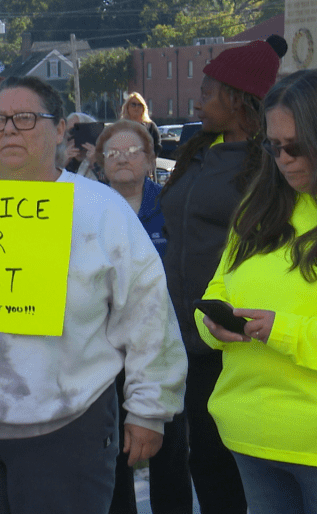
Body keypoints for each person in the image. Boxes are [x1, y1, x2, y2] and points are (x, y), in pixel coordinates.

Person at [0, 76, 187, 514]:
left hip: (65, 431)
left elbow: (147, 315)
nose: (9, 129)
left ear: (60, 128)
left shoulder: (101, 210)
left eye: (25, 119)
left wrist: (148, 410)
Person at [159, 37, 286, 514]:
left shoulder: (272, 164)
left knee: (234, 467)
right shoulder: (199, 152)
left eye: (209, 90)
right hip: (183, 337)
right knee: (203, 462)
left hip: (235, 339)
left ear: (238, 99)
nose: (198, 99)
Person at [194, 68, 317, 514]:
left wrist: (280, 331)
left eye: (297, 146)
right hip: (249, 436)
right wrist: (214, 325)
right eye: (274, 145)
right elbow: (217, 287)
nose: (284, 158)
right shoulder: (258, 205)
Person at [95, 120, 192, 514]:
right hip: (106, 351)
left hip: (162, 346)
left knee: (170, 455)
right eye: (112, 153)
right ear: (101, 162)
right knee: (114, 454)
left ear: (151, 158)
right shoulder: (90, 211)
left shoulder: (171, 205)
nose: (122, 160)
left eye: (131, 151)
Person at [63, 111, 104, 182]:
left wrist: (95, 164)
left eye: (74, 131)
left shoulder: (105, 158)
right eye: (67, 132)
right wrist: (61, 166)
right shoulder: (59, 161)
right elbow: (50, 190)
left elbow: (110, 188)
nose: (70, 136)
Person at [120, 92, 161, 157]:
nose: (137, 107)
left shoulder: (150, 127)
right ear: (127, 107)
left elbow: (157, 147)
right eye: (133, 104)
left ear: (144, 108)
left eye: (140, 105)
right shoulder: (120, 127)